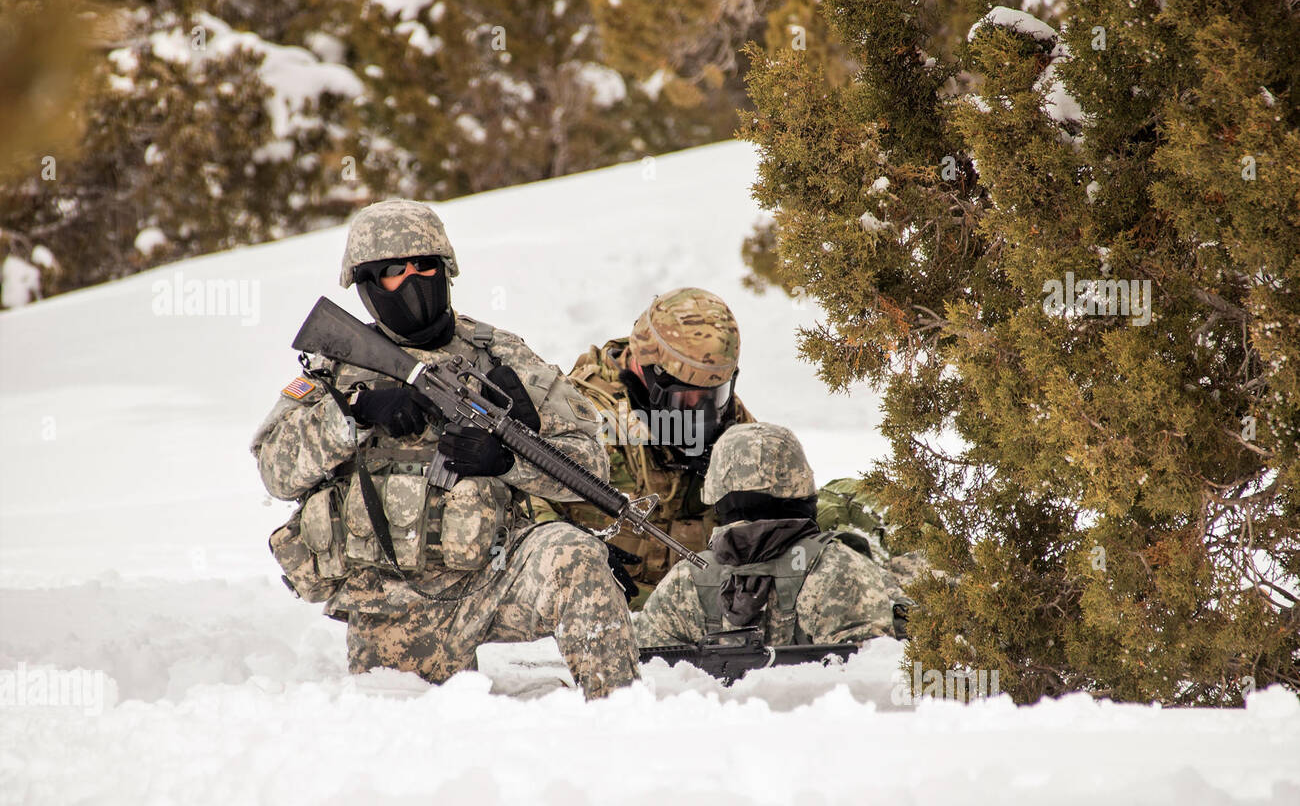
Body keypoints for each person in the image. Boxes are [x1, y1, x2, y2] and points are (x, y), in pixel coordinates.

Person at [250, 199, 638, 699]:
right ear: (366, 285)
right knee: (409, 735)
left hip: (493, 578)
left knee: (575, 556)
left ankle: (622, 713)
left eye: (426, 266)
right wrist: (353, 412)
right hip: (388, 602)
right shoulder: (336, 368)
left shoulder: (500, 356)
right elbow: (275, 473)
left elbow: (591, 466)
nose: (414, 280)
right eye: (393, 270)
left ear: (447, 270)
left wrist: (510, 459)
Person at [534, 287, 755, 607]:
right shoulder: (574, 415)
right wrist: (571, 554)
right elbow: (520, 514)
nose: (699, 411)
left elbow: (775, 513)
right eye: (685, 398)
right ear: (646, 371)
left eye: (713, 396)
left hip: (703, 611)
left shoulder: (723, 416)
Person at [634, 422, 911, 647]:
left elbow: (653, 679)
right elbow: (871, 682)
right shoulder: (838, 568)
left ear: (719, 497)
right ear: (803, 488)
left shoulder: (686, 580)